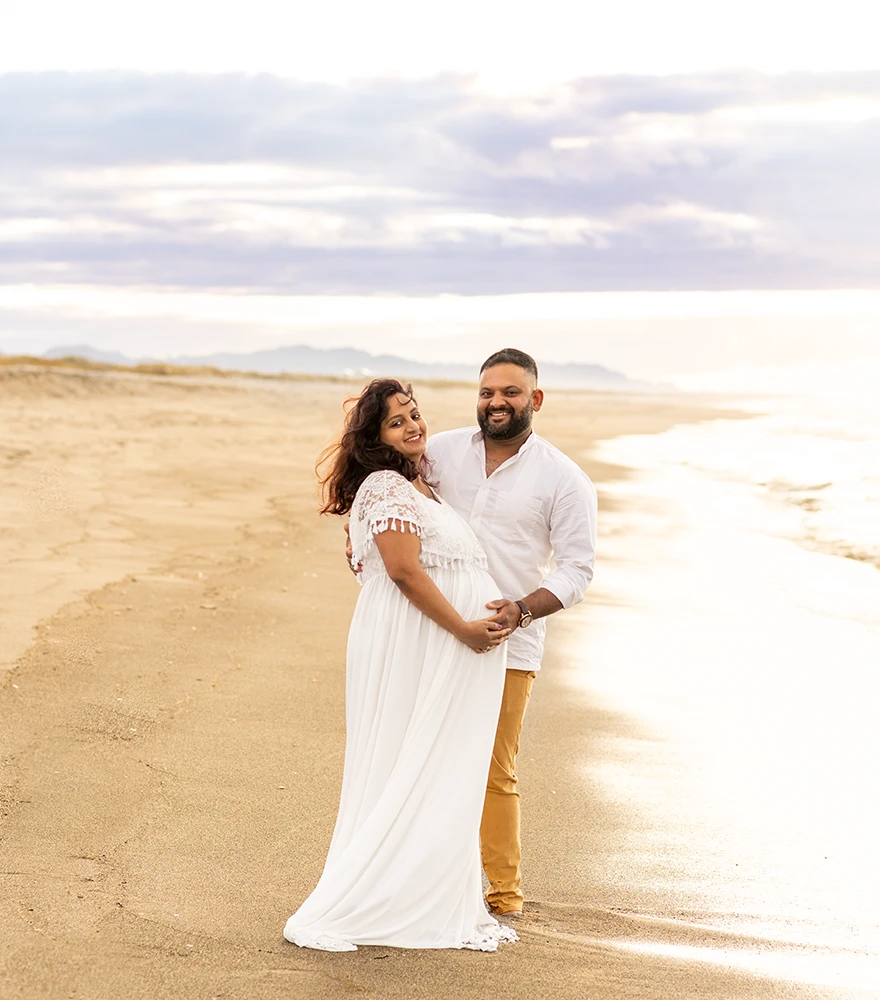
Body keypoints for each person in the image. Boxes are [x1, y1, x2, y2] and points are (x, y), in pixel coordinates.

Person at [283, 378, 519, 953]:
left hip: (437, 646)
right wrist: (463, 628)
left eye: (414, 414)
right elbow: (402, 571)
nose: (413, 426)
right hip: (429, 642)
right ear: (375, 438)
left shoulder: (419, 484)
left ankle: (421, 889)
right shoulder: (387, 484)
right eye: (396, 421)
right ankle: (385, 893)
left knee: (435, 763)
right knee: (411, 758)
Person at [424, 348, 597, 918]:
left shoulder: (564, 479)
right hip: (429, 630)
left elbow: (577, 570)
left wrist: (521, 610)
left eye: (510, 393)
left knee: (494, 769)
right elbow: (387, 495)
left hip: (510, 643)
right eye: (486, 392)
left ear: (536, 400)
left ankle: (502, 895)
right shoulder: (440, 451)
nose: (496, 402)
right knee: (424, 757)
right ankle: (426, 881)